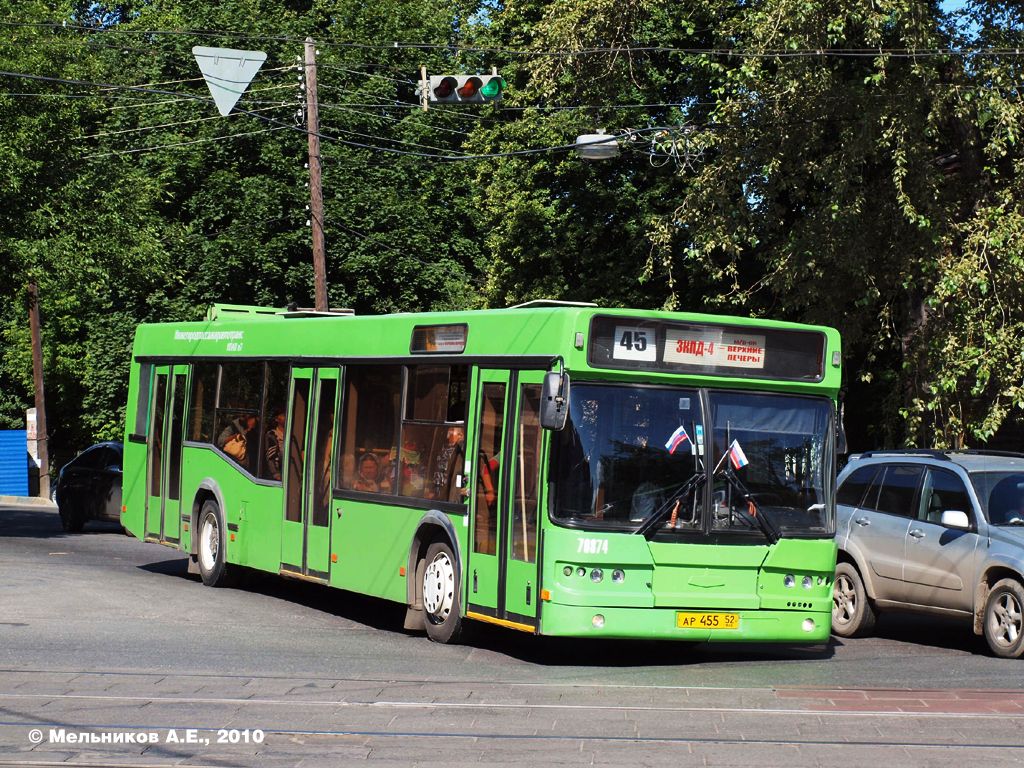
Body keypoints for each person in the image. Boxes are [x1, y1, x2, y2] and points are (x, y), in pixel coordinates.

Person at [431, 426, 465, 502]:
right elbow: (436, 468)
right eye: (449, 429)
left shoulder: (460, 449)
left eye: (453, 430)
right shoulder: (443, 446)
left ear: (460, 435)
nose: (449, 432)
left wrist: (461, 441)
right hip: (439, 489)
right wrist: (432, 488)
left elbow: (467, 452)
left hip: (451, 490)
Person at [264, 409, 286, 481]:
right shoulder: (271, 435)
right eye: (283, 415)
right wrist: (275, 474)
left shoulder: (291, 435)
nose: (286, 417)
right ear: (276, 419)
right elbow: (270, 457)